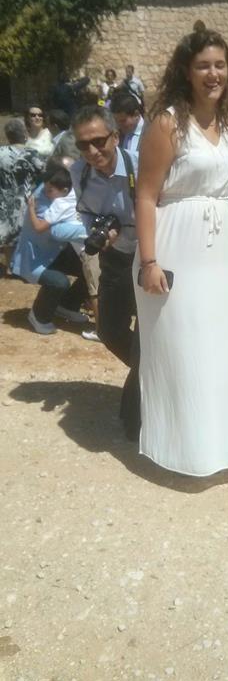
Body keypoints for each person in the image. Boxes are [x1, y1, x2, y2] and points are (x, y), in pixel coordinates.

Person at [134, 28, 228, 476]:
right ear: (186, 71)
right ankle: (184, 450)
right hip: (175, 249)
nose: (213, 73)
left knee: (219, 346)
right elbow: (146, 195)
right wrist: (150, 262)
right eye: (203, 65)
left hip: (222, 255)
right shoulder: (167, 124)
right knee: (182, 349)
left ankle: (223, 444)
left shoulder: (227, 124)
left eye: (220, 65)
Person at [70, 105, 141, 438]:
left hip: (148, 259)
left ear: (115, 137)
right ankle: (152, 374)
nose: (92, 151)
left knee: (147, 339)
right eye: (83, 145)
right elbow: (84, 212)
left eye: (98, 141)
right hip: (115, 258)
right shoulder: (80, 173)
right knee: (109, 331)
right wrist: (98, 231)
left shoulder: (141, 164)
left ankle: (140, 405)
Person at [11, 158, 88, 334]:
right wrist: (89, 231)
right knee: (59, 282)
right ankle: (39, 316)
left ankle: (67, 305)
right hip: (34, 259)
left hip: (56, 253)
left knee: (89, 269)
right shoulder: (43, 196)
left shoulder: (63, 192)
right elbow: (55, 231)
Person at [0, 118, 45, 273]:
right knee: (25, 232)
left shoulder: (1, 153)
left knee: (8, 232)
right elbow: (43, 172)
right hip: (26, 199)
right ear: (24, 134)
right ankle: (23, 265)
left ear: (8, 135)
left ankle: (10, 266)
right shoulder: (31, 154)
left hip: (4, 199)